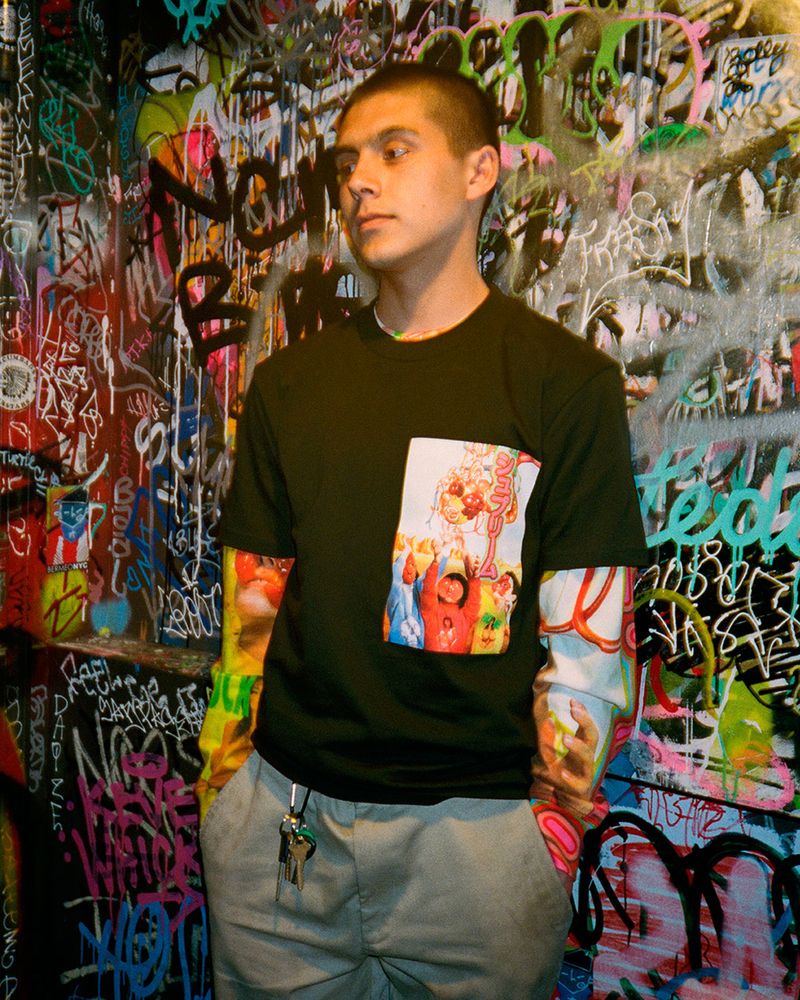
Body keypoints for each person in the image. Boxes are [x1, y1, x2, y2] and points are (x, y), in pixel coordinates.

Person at [197, 61, 648, 1000]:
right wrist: (227, 789)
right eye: (347, 163)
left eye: (395, 151)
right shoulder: (291, 386)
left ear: (481, 170)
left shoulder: (561, 383)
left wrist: (550, 837)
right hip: (282, 832)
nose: (360, 180)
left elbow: (590, 647)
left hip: (476, 854)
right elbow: (251, 619)